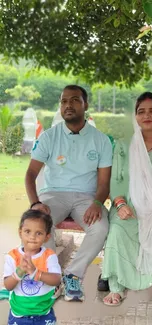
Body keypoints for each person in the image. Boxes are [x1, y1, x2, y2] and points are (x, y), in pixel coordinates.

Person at [25, 84, 112, 302]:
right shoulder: (48, 137)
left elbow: (104, 183)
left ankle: (73, 274)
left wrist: (98, 203)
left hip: (87, 197)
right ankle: (52, 276)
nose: (68, 105)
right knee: (38, 224)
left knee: (101, 227)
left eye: (74, 100)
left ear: (86, 105)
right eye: (64, 101)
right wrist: (35, 203)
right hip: (54, 194)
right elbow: (30, 174)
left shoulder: (100, 140)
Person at [101, 91, 152, 306]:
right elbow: (116, 180)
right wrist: (120, 203)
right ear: (135, 116)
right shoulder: (124, 146)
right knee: (117, 229)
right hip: (129, 203)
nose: (147, 115)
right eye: (141, 111)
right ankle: (116, 286)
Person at [3, 209, 61, 324]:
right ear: (20, 233)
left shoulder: (49, 256)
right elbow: (8, 286)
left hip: (44, 312)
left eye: (38, 233)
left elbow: (56, 279)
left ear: (47, 237)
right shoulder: (13, 256)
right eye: (27, 231)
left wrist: (36, 273)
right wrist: (19, 272)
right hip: (19, 314)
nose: (32, 237)